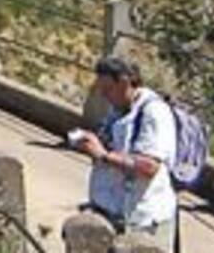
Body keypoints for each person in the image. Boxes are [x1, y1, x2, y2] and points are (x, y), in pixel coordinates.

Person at [70, 57, 178, 251]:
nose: (103, 95)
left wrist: (102, 155)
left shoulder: (153, 113)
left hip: (143, 222)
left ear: (125, 82)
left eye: (108, 89)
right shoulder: (118, 109)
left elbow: (149, 166)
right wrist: (90, 143)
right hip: (113, 213)